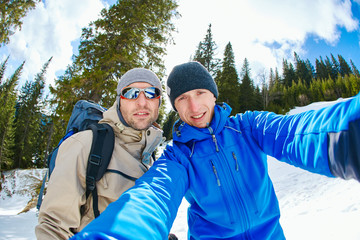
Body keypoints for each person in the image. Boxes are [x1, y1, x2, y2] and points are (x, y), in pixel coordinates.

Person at [71, 61, 360, 240]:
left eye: (199, 93)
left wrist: (351, 134)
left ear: (213, 93)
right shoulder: (178, 157)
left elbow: (298, 133)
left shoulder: (248, 127)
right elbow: (151, 198)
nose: (194, 108)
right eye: (183, 98)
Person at [35, 68, 164, 239]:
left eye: (150, 93)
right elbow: (53, 227)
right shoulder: (85, 144)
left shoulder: (150, 159)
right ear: (119, 101)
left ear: (159, 102)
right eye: (131, 93)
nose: (142, 102)